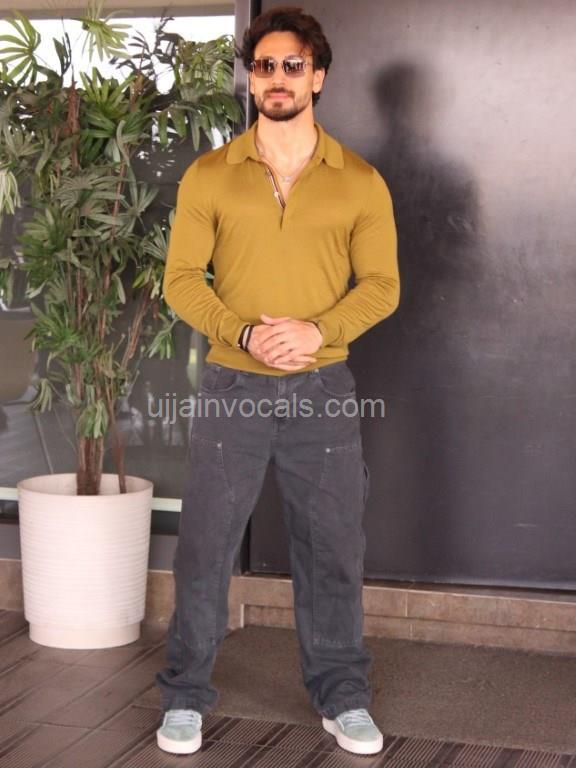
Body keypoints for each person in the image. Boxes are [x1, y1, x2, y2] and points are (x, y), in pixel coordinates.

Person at [155, 5, 399, 757]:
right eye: (265, 66)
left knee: (332, 549)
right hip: (233, 386)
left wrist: (318, 331)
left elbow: (382, 286)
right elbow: (180, 280)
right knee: (205, 547)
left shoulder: (360, 182)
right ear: (251, 79)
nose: (278, 77)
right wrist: (244, 332)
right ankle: (185, 698)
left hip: (323, 391)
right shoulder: (209, 175)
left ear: (317, 77)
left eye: (293, 65)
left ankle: (342, 697)